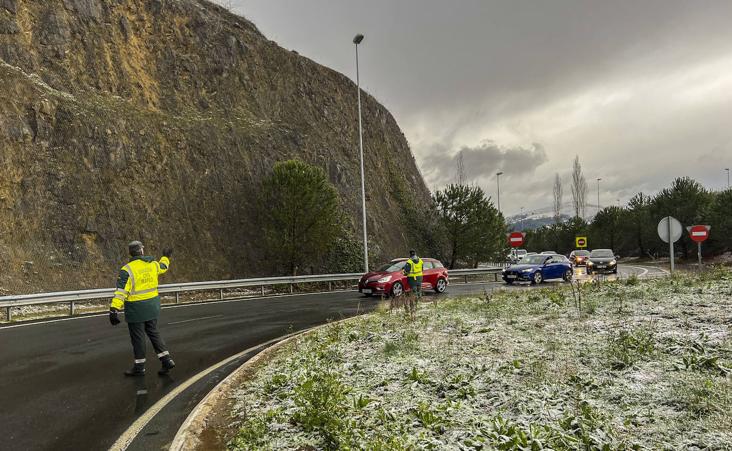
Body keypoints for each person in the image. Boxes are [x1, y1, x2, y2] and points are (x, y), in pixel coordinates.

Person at [109, 241, 175, 377]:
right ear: (142, 251)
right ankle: (166, 360)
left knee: (138, 338)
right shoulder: (152, 264)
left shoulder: (127, 270)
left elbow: (121, 291)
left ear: (130, 253)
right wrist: (166, 256)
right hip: (152, 306)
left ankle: (139, 367)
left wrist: (114, 308)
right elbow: (163, 266)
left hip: (136, 310)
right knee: (153, 333)